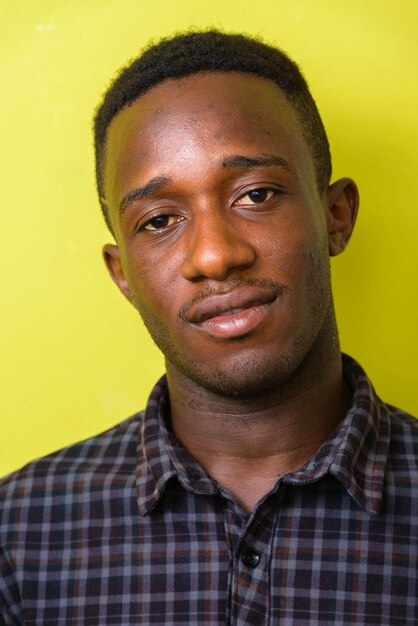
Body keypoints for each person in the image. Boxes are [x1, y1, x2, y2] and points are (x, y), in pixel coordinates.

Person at [1, 30, 417, 626]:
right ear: (123, 275)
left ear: (336, 216)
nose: (215, 256)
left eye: (256, 194)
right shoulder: (19, 536)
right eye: (161, 220)